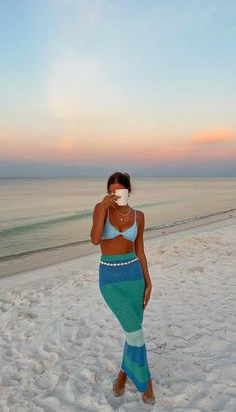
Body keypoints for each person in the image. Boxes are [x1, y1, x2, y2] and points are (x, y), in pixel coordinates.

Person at [90, 171, 155, 405]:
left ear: (129, 191)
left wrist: (148, 282)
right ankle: (146, 381)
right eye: (111, 191)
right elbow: (95, 239)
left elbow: (140, 250)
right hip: (109, 279)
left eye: (120, 190)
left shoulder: (139, 216)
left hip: (134, 275)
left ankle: (123, 374)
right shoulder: (101, 209)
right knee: (135, 331)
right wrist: (101, 207)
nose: (116, 195)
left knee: (133, 330)